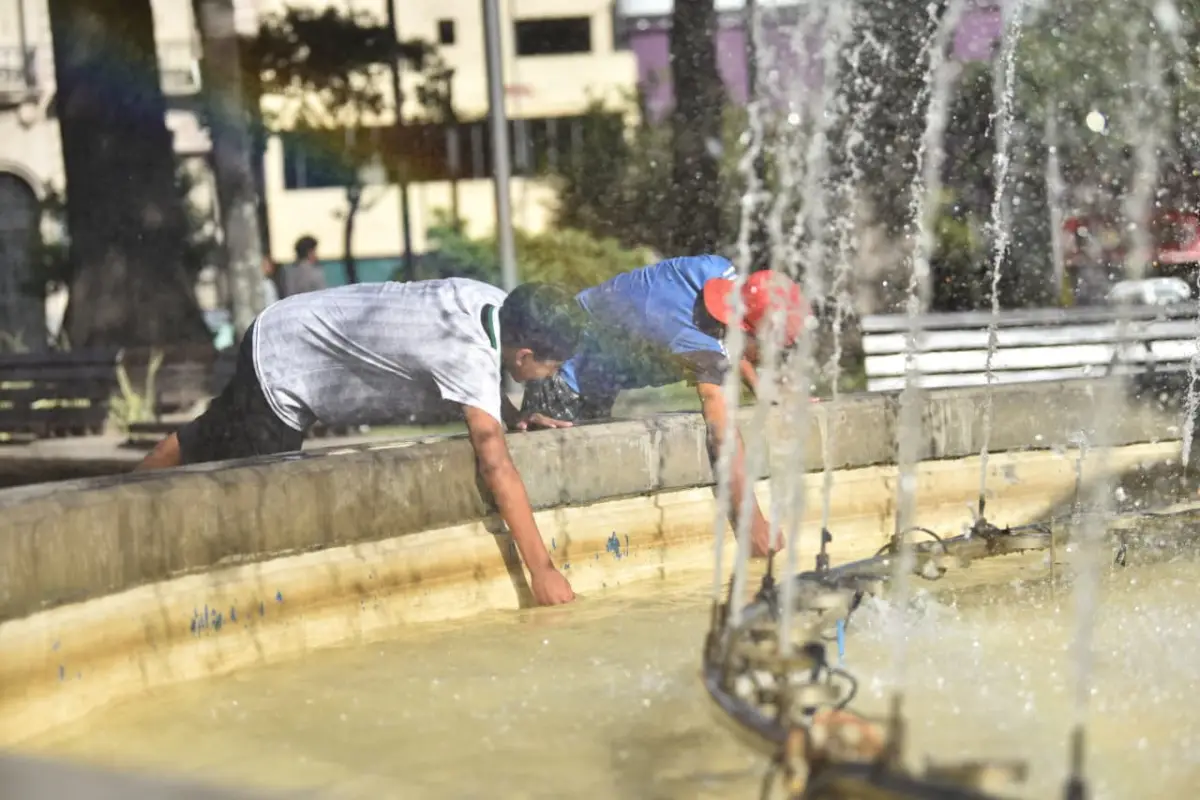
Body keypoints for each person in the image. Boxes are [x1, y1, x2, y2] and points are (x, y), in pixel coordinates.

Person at [136, 279, 585, 606]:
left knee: (207, 436)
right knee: (266, 512)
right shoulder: (465, 354)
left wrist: (516, 416)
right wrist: (541, 571)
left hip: (288, 325)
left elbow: (478, 384)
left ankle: (122, 492)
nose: (554, 375)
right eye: (553, 366)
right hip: (285, 364)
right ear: (524, 356)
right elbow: (495, 466)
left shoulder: (490, 300)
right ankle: (156, 559)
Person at [521, 255, 808, 559]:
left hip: (591, 357)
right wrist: (752, 523)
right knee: (552, 491)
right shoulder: (692, 341)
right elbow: (722, 433)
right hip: (557, 373)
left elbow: (730, 340)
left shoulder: (716, 270)